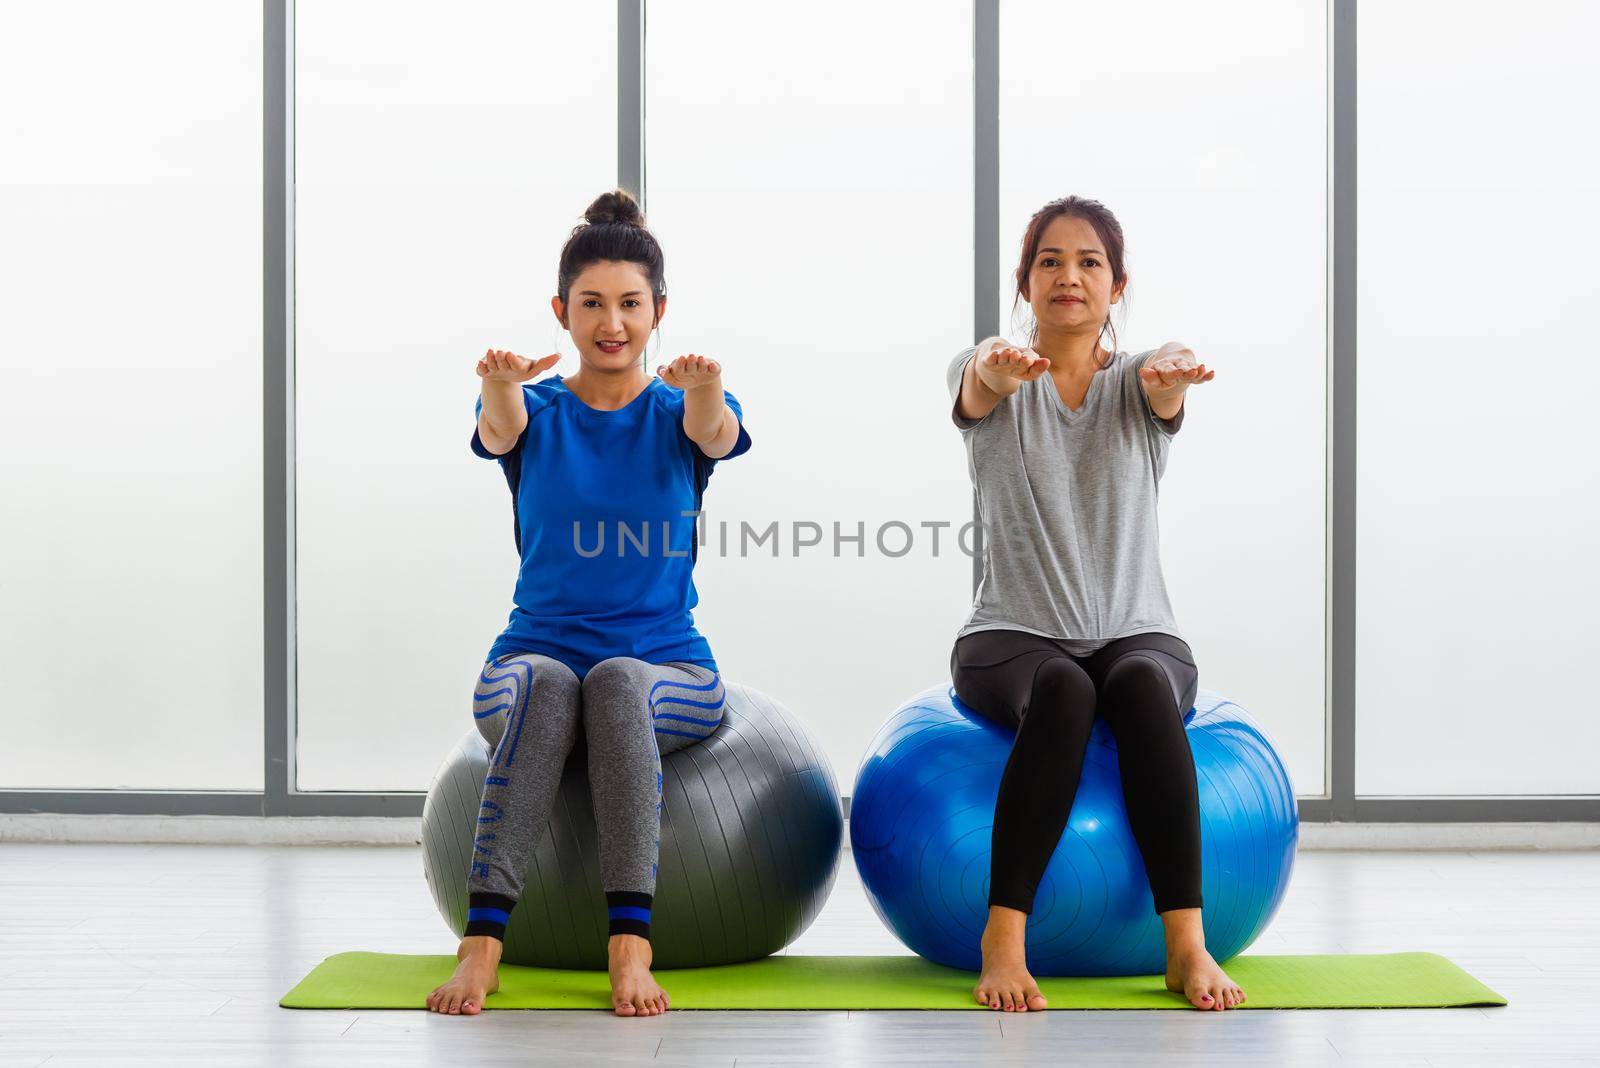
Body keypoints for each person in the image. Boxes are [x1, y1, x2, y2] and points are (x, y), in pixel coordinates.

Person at [427, 189, 752, 1017]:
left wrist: (706, 386)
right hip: (527, 664)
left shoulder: (682, 407)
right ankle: (481, 949)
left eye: (631, 305)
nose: (613, 322)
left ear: (659, 312)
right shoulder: (535, 410)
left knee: (611, 680)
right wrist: (499, 383)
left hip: (671, 671)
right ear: (562, 313)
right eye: (593, 304)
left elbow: (714, 435)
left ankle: (629, 951)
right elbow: (498, 432)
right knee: (554, 684)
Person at [946, 195, 1237, 1013]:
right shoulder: (992, 367)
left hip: (1137, 629)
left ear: (1117, 286)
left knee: (1140, 684)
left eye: (1088, 263)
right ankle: (1003, 938)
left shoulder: (1142, 381)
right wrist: (996, 373)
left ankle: (1185, 946)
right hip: (1011, 633)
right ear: (1024, 281)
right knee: (1067, 691)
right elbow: (977, 384)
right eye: (1049, 260)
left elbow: (1167, 389)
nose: (1068, 275)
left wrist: (1174, 372)